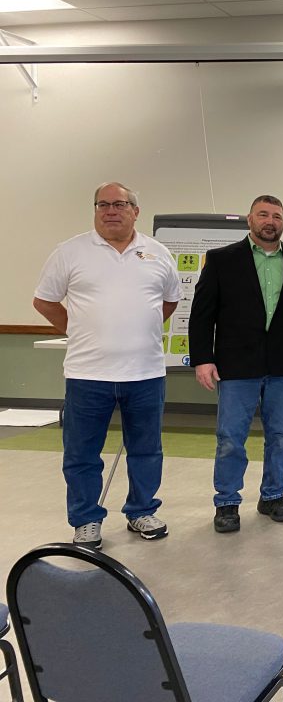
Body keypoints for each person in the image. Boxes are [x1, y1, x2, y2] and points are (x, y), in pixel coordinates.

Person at [33, 181, 181, 549]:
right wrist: (80, 330)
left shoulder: (158, 253)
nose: (110, 210)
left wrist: (136, 329)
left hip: (145, 374)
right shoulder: (70, 252)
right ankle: (86, 521)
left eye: (119, 204)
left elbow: (169, 303)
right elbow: (45, 302)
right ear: (95, 210)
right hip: (87, 375)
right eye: (102, 204)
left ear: (135, 211)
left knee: (146, 449)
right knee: (82, 454)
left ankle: (141, 511)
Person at [188, 195, 283, 533]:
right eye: (263, 214)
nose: (270, 221)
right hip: (236, 366)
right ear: (249, 220)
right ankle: (227, 502)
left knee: (281, 436)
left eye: (276, 216)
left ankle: (274, 495)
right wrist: (203, 358)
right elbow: (202, 314)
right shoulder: (222, 260)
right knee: (231, 438)